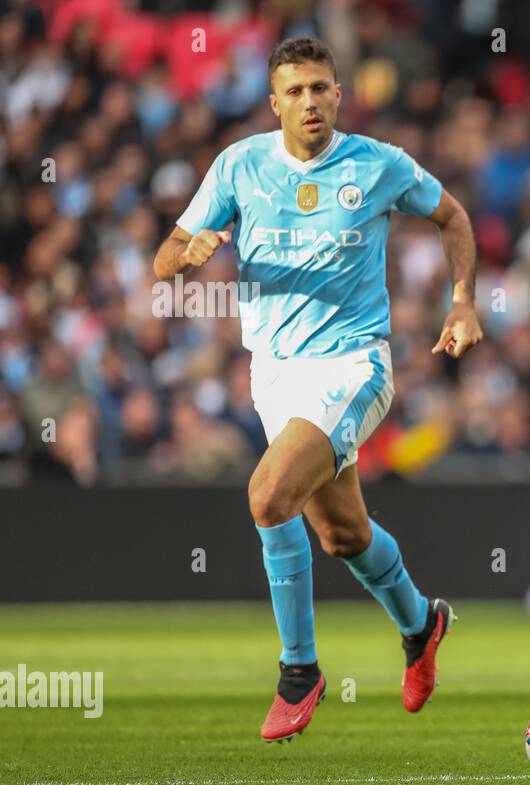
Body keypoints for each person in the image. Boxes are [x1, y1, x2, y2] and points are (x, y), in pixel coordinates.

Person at [153, 37, 483, 740]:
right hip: (274, 374)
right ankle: (422, 624)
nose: (310, 101)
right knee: (341, 534)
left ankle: (299, 670)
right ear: (273, 102)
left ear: (340, 94)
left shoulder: (379, 164)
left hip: (353, 365)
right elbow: (162, 262)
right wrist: (192, 252)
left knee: (269, 495)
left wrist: (461, 300)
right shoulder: (239, 166)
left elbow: (453, 216)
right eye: (296, 90)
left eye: (321, 88)